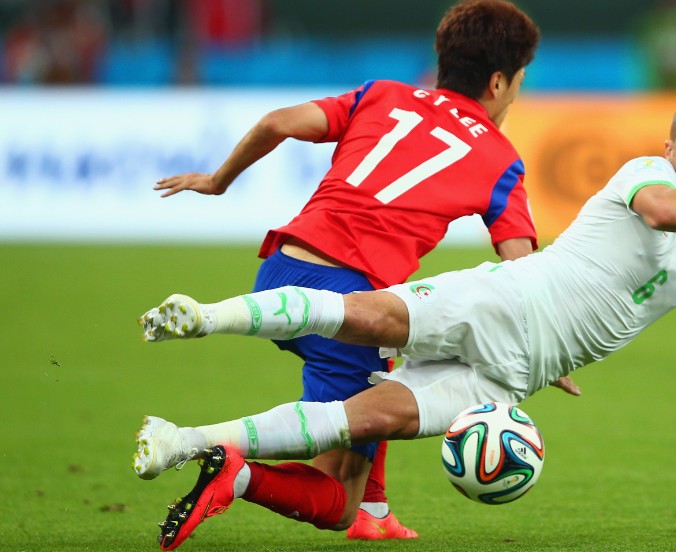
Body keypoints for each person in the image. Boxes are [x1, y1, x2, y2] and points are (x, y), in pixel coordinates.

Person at [135, 96, 676, 550]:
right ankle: (202, 316)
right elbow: (666, 211)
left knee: (353, 421)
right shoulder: (645, 176)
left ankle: (186, 442)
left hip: (504, 381)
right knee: (363, 316)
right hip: (499, 301)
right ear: (668, 147)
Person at [133, 0, 583, 545]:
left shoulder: (382, 94)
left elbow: (277, 122)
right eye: (518, 82)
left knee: (387, 365)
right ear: (497, 82)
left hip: (280, 270)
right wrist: (544, 346)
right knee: (340, 485)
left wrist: (218, 181)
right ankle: (229, 467)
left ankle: (377, 511)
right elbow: (524, 273)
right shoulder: (501, 159)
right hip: (350, 303)